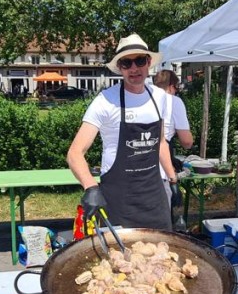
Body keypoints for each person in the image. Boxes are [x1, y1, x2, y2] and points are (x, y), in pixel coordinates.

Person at [67, 33, 182, 232]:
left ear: (148, 62)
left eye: (139, 60)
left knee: (162, 254)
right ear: (120, 68)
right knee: (119, 260)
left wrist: (173, 180)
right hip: (118, 198)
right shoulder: (105, 101)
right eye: (126, 63)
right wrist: (91, 187)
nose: (134, 68)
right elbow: (74, 153)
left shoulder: (160, 97)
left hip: (154, 196)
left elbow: (160, 142)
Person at [153, 69, 194, 208]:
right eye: (176, 88)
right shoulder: (174, 101)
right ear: (171, 86)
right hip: (160, 166)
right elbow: (186, 141)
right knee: (162, 217)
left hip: (136, 166)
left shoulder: (143, 98)